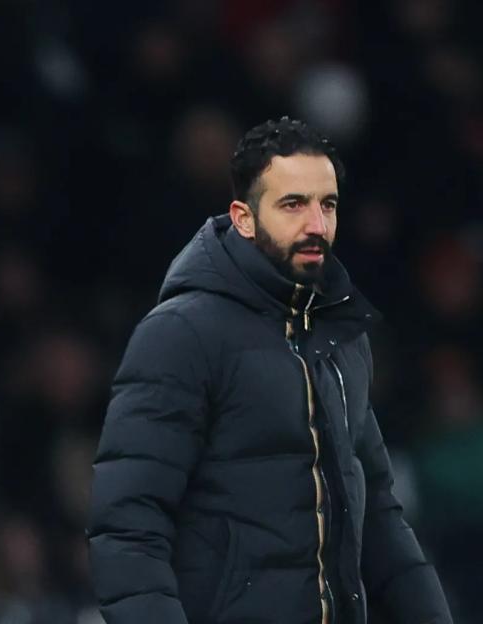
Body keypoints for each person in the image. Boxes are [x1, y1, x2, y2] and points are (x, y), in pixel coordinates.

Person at [87, 117, 452, 623]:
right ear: (243, 217)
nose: (316, 225)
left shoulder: (342, 336)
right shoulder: (181, 334)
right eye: (293, 204)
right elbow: (128, 527)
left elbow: (381, 518)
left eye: (328, 204)